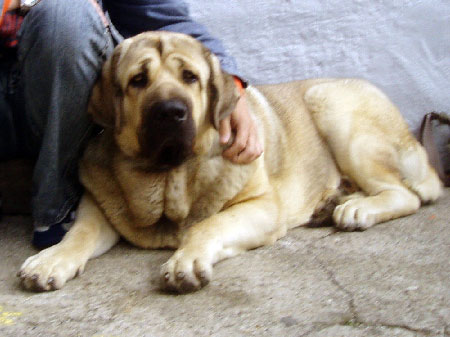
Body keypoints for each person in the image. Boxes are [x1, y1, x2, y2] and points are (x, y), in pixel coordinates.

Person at [0, 0, 262, 248]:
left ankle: (57, 205)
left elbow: (163, 18)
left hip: (58, 95)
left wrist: (229, 83)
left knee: (66, 15)